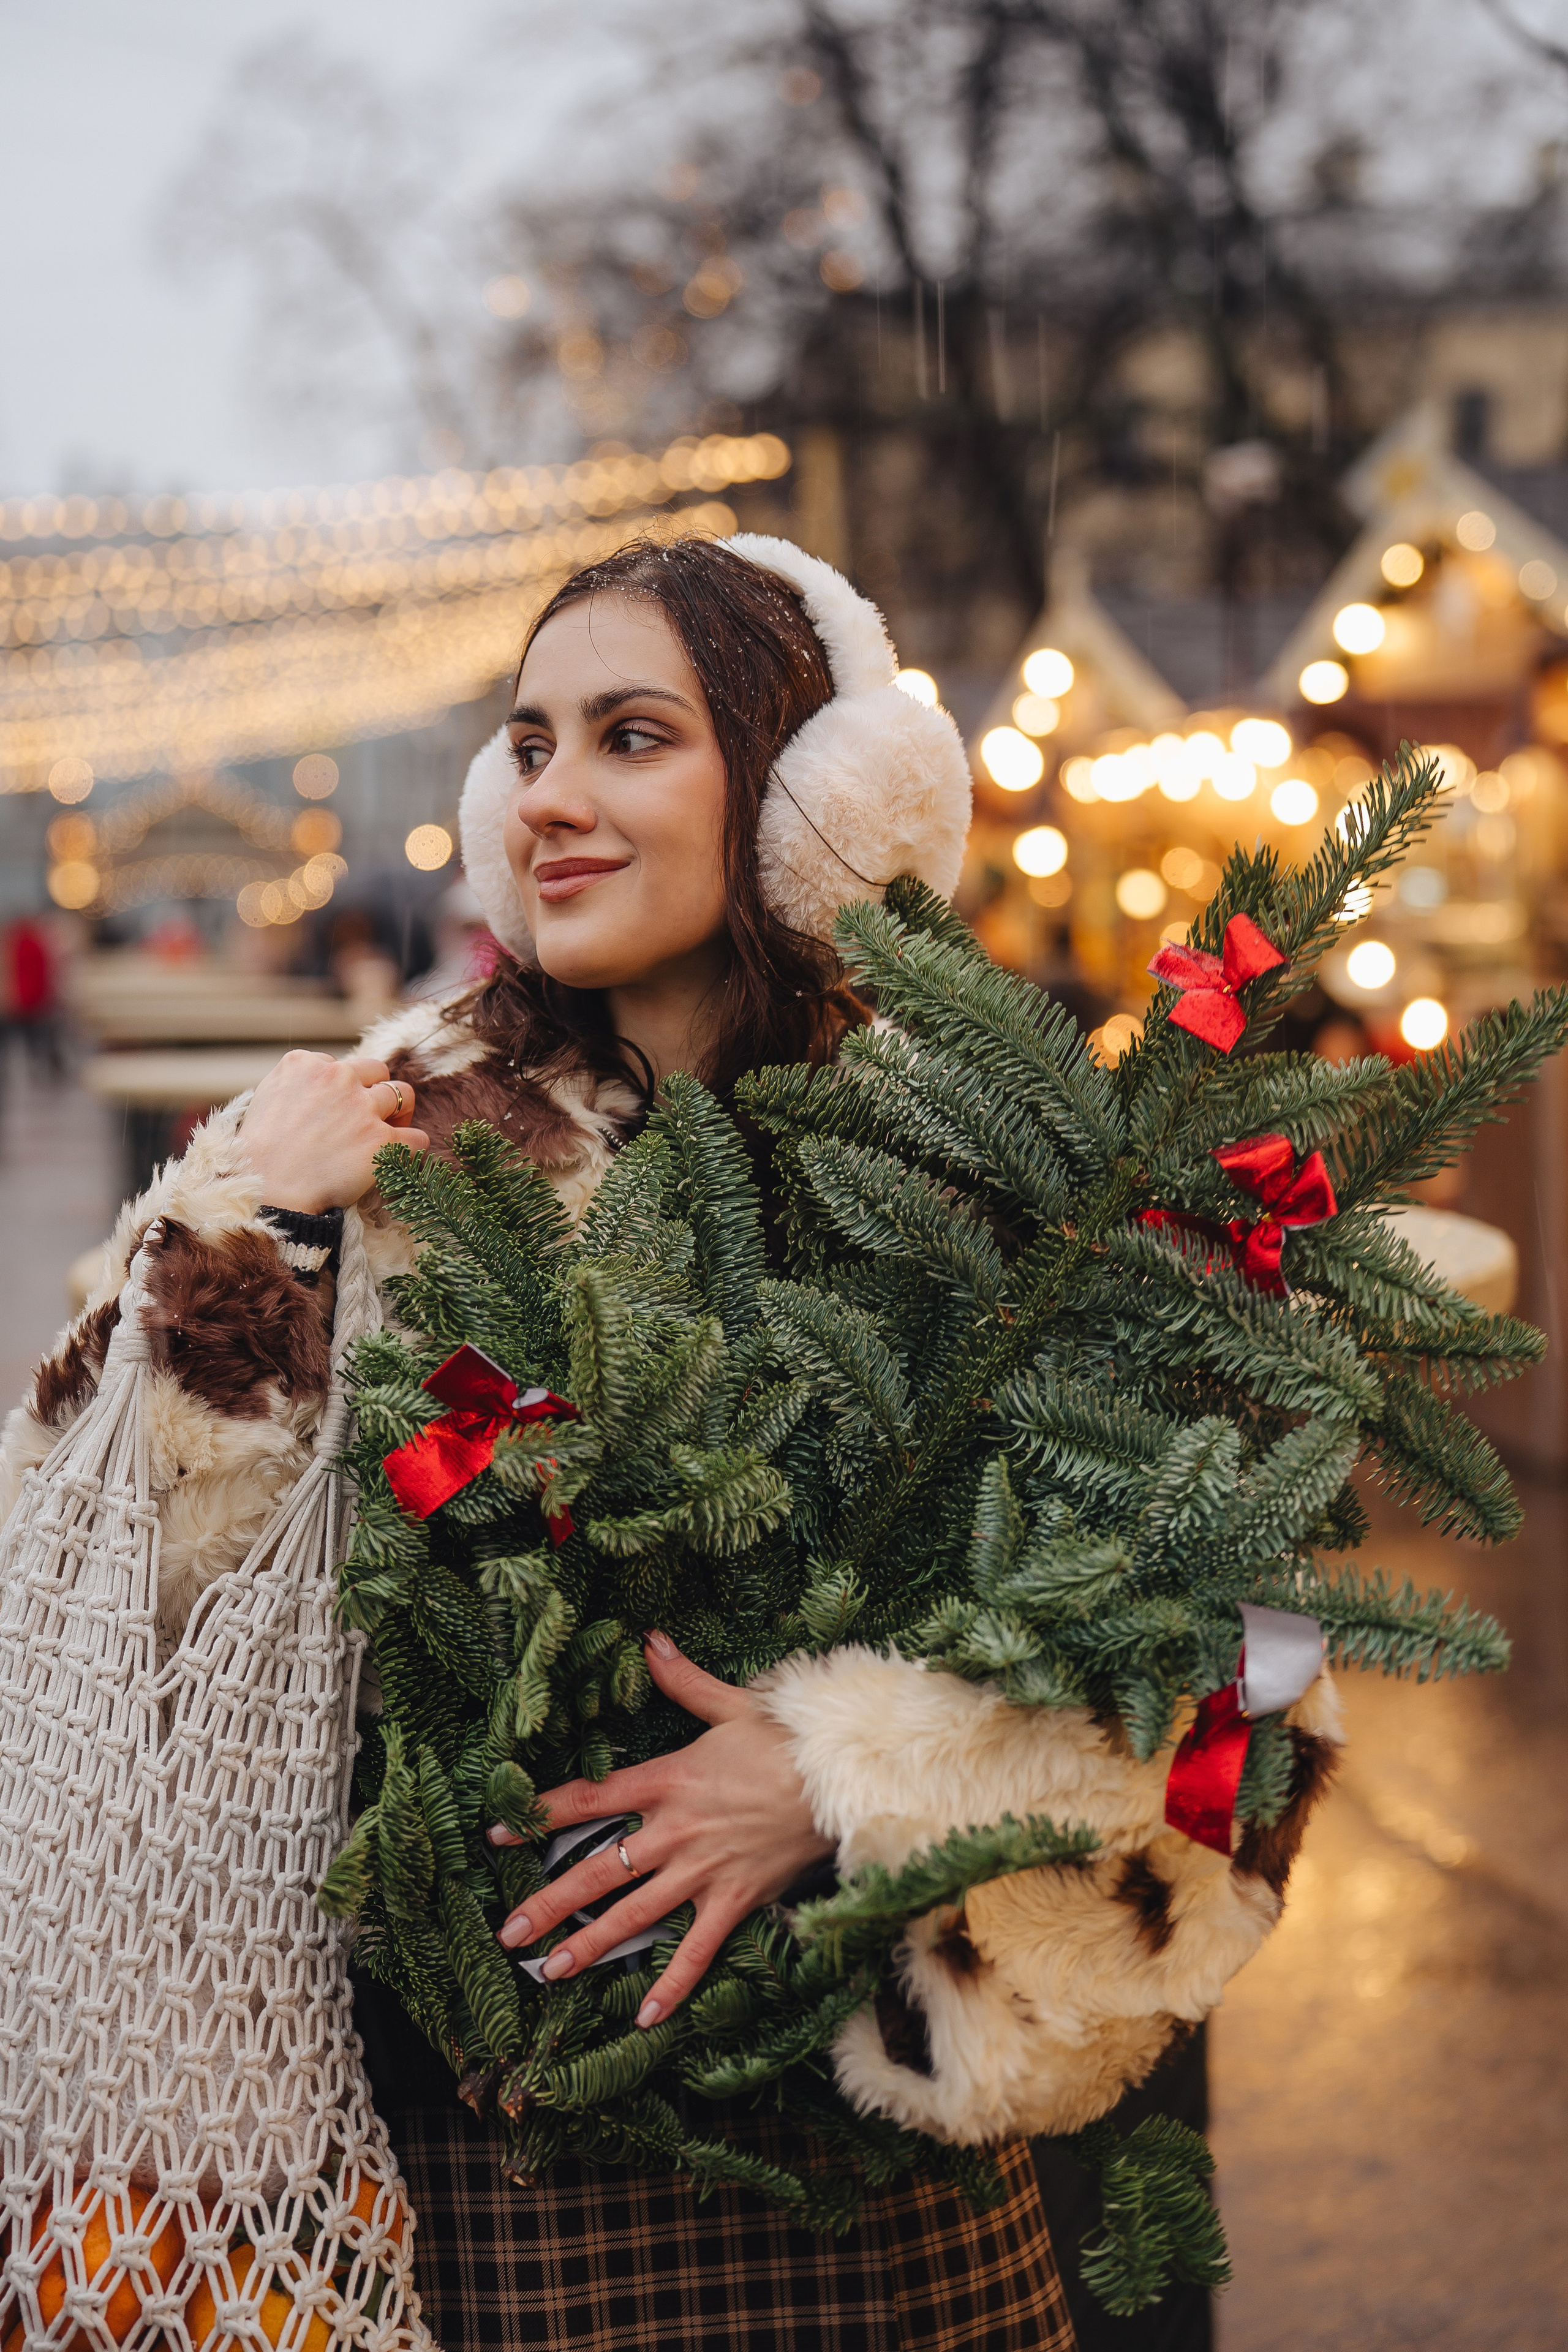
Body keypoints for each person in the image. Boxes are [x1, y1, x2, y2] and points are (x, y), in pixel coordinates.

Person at [7, 531, 1215, 2350]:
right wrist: (257, 1235)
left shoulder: (987, 1167)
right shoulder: (380, 1130)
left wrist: (848, 1774)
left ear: (814, 791)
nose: (553, 797)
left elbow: (1244, 1656)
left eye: (632, 736)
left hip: (874, 2185)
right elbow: (82, 1555)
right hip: (485, 2185)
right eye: (533, 744)